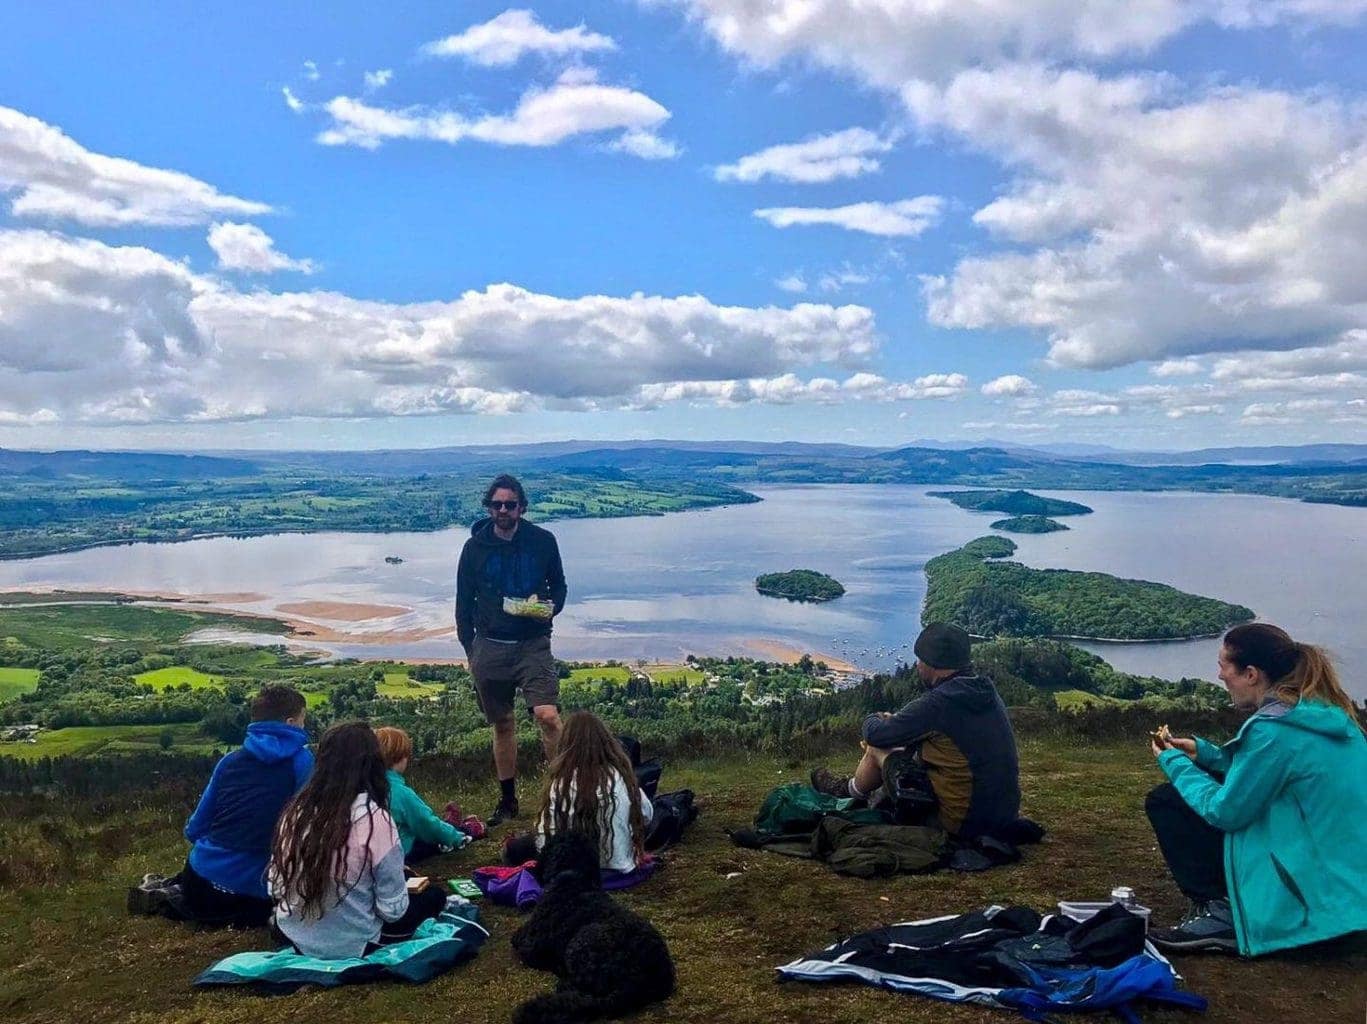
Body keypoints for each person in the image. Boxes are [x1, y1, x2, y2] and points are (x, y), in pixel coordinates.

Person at [1146, 623, 1367, 956]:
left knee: (1167, 801)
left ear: (1251, 674)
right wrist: (1205, 754)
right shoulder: (1330, 717)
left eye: (1224, 667)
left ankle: (1225, 913)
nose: (1220, 676)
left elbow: (1225, 811)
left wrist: (1175, 763)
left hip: (1307, 913)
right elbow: (1273, 772)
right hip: (1348, 899)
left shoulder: (1273, 731)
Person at [810, 622, 1021, 840]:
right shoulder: (984, 691)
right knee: (905, 747)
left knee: (877, 746)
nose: (917, 665)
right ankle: (860, 791)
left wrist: (875, 717)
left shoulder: (939, 703)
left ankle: (848, 793)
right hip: (1002, 818)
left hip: (961, 824)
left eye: (920, 659)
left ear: (934, 664)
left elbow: (874, 734)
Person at [129, 685, 313, 926]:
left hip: (202, 879)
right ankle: (170, 894)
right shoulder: (303, 762)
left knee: (201, 888)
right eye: (302, 720)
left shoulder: (228, 762)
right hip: (257, 890)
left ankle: (170, 892)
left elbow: (194, 829)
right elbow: (302, 828)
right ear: (290, 722)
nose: (304, 726)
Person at [269, 722, 448, 958]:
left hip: (296, 935)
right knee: (434, 897)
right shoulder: (376, 819)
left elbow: (276, 887)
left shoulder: (294, 814)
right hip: (357, 941)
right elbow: (392, 911)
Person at [456, 473, 568, 826]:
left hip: (533, 643)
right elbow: (463, 603)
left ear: (522, 507)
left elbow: (560, 587)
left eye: (510, 504)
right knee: (502, 723)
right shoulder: (474, 549)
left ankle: (565, 792)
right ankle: (508, 802)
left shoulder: (543, 541)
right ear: (488, 507)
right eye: (497, 504)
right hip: (489, 646)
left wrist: (550, 607)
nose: (503, 510)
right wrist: (470, 650)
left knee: (547, 716)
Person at [534, 710, 653, 873]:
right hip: (619, 865)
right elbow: (647, 815)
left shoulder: (560, 784)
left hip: (571, 868)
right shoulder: (621, 777)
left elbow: (543, 839)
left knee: (516, 848)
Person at [374, 725, 470, 864]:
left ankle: (450, 824)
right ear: (399, 758)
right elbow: (425, 823)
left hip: (375, 853)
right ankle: (461, 829)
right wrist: (455, 837)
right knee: (434, 835)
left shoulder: (365, 788)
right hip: (404, 851)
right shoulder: (401, 793)